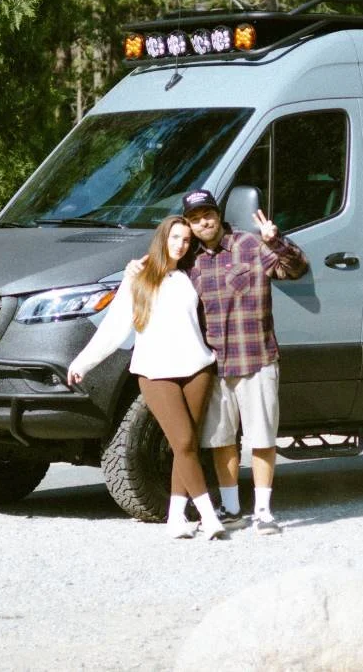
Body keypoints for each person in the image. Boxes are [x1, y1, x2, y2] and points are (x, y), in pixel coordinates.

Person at [66, 215, 226, 540]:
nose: (180, 244)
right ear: (161, 239)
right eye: (175, 238)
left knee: (187, 446)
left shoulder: (187, 277)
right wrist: (83, 362)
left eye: (185, 239)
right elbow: (113, 329)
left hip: (198, 368)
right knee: (181, 442)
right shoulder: (137, 278)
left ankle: (176, 518)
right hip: (155, 372)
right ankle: (209, 518)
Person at [180, 189, 308, 535]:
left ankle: (263, 512)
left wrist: (277, 241)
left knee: (262, 439)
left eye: (207, 214)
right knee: (220, 441)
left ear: (218, 215)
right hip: (214, 365)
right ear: (189, 225)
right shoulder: (190, 262)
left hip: (257, 357)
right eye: (194, 218)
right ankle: (232, 509)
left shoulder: (249, 245)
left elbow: (294, 270)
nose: (203, 222)